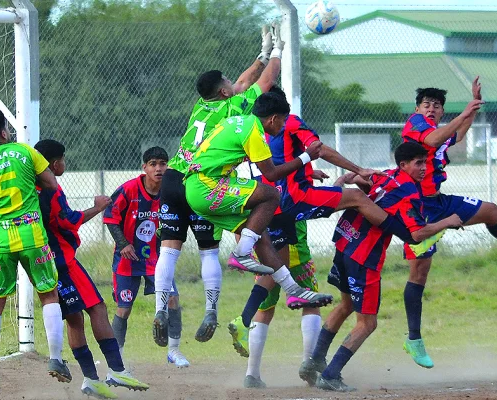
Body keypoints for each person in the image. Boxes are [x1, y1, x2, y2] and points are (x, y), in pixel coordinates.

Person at [228, 86, 445, 357]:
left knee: (276, 269)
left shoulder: (249, 129)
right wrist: (357, 169)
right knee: (356, 197)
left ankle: (243, 320)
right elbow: (320, 149)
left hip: (265, 205)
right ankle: (412, 235)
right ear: (278, 112)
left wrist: (308, 170)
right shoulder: (291, 121)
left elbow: (277, 162)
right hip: (293, 200)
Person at [400, 78, 497, 369]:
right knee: (419, 274)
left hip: (440, 201)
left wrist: (472, 107)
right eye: (426, 105)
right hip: (417, 207)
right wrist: (464, 112)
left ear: (442, 111)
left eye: (436, 106)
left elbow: (456, 137)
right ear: (417, 109)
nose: (431, 109)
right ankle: (414, 339)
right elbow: (432, 141)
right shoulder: (415, 126)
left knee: (492, 211)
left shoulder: (438, 129)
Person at [153, 22, 285, 346]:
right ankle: (210, 311)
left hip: (173, 175)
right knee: (208, 250)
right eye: (228, 83)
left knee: (169, 249)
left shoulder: (202, 105)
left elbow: (240, 81)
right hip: (199, 180)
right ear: (225, 92)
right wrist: (279, 51)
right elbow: (264, 83)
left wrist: (261, 54)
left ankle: (159, 309)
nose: (233, 83)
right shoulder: (233, 108)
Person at [299, 142, 462, 392]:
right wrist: (447, 221)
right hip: (364, 257)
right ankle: (331, 375)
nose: (424, 168)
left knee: (346, 306)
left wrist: (349, 178)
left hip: (344, 243)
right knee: (367, 323)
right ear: (403, 165)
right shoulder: (409, 191)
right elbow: (417, 234)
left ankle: (314, 362)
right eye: (418, 163)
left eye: (425, 162)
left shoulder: (386, 175)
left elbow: (356, 176)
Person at [185, 92, 335, 314]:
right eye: (283, 121)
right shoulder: (254, 130)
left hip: (197, 189)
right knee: (272, 194)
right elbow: (272, 175)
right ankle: (241, 253)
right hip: (207, 186)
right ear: (273, 118)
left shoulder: (239, 121)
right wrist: (305, 157)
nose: (283, 127)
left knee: (260, 234)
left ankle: (293, 289)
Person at [35, 139, 149, 399]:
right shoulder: (51, 188)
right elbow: (70, 220)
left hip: (41, 260)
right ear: (54, 163)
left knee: (74, 319)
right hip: (63, 261)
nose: (65, 163)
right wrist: (98, 206)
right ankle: (117, 370)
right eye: (63, 159)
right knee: (97, 308)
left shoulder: (31, 187)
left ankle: (90, 378)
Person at [0, 109, 71, 400]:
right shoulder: (24, 151)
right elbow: (51, 184)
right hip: (31, 234)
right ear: (5, 133)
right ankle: (55, 358)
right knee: (48, 294)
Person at [103, 147, 188, 367]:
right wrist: (123, 244)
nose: (159, 168)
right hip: (127, 261)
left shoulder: (172, 190)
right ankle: (116, 357)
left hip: (158, 261)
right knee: (124, 308)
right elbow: (110, 217)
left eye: (162, 164)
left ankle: (174, 351)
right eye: (153, 164)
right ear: (145, 167)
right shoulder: (129, 189)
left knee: (173, 299)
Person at [243, 220, 322, 388]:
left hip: (265, 253)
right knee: (310, 304)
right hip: (295, 253)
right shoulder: (291, 191)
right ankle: (309, 363)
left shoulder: (260, 192)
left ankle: (252, 373)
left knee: (263, 309)